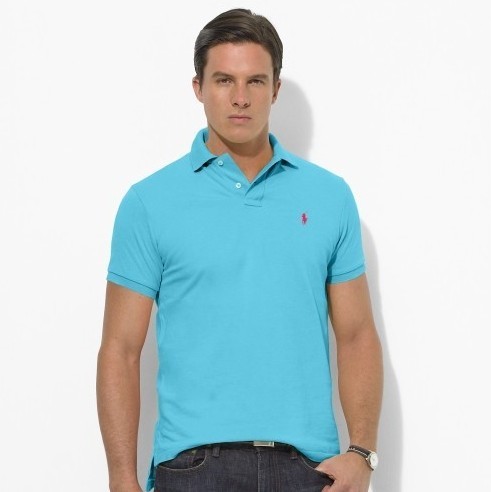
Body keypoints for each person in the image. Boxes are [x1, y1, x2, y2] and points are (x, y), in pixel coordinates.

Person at [96, 7, 383, 492]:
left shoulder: (329, 197)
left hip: (307, 469)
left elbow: (356, 335)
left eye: (255, 81)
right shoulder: (149, 203)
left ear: (276, 89)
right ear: (198, 87)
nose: (240, 98)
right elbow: (120, 350)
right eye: (224, 80)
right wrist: (122, 481)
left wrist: (361, 454)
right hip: (193, 469)